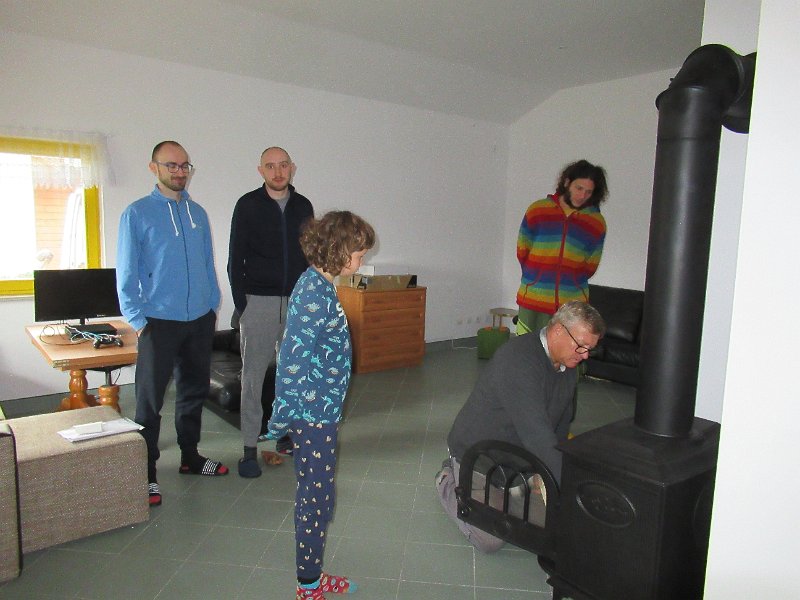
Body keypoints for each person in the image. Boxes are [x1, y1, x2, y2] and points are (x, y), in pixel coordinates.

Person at [436, 301, 606, 552]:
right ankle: (448, 480)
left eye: (590, 349)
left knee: (550, 522)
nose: (585, 355)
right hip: (479, 456)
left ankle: (504, 496)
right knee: (490, 539)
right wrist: (571, 490)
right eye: (581, 346)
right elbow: (538, 436)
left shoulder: (568, 366)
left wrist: (547, 477)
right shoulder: (518, 360)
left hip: (517, 460)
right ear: (558, 330)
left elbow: (561, 426)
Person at [266, 210, 375, 600]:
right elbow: (291, 361)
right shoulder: (313, 292)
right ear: (340, 252)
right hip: (312, 416)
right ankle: (308, 584)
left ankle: (312, 574)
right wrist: (283, 417)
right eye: (359, 255)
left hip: (322, 412)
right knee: (315, 498)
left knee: (320, 494)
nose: (360, 262)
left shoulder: (320, 286)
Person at [117, 140, 227, 508]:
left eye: (184, 166)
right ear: (154, 168)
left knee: (193, 392)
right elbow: (126, 272)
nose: (180, 172)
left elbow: (207, 262)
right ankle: (146, 472)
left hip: (199, 320)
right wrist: (138, 321)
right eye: (171, 165)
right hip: (158, 323)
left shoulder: (198, 213)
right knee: (149, 402)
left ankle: (190, 457)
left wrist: (212, 304)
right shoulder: (137, 213)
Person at [228, 146, 314, 478]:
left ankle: (286, 436)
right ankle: (250, 447)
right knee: (252, 378)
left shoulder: (303, 206)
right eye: (270, 166)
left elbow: (310, 256)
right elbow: (235, 258)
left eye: (283, 165)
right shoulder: (248, 205)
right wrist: (243, 305)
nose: (278, 172)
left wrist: (308, 298)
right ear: (260, 170)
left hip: (296, 301)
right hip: (258, 302)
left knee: (293, 374)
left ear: (292, 168)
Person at [516, 160, 608, 335]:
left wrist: (570, 279)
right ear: (567, 183)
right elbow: (522, 250)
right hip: (533, 298)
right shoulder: (538, 210)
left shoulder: (596, 222)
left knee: (566, 350)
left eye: (588, 192)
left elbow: (591, 265)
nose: (582, 195)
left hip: (571, 306)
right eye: (579, 188)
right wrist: (537, 276)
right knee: (527, 348)